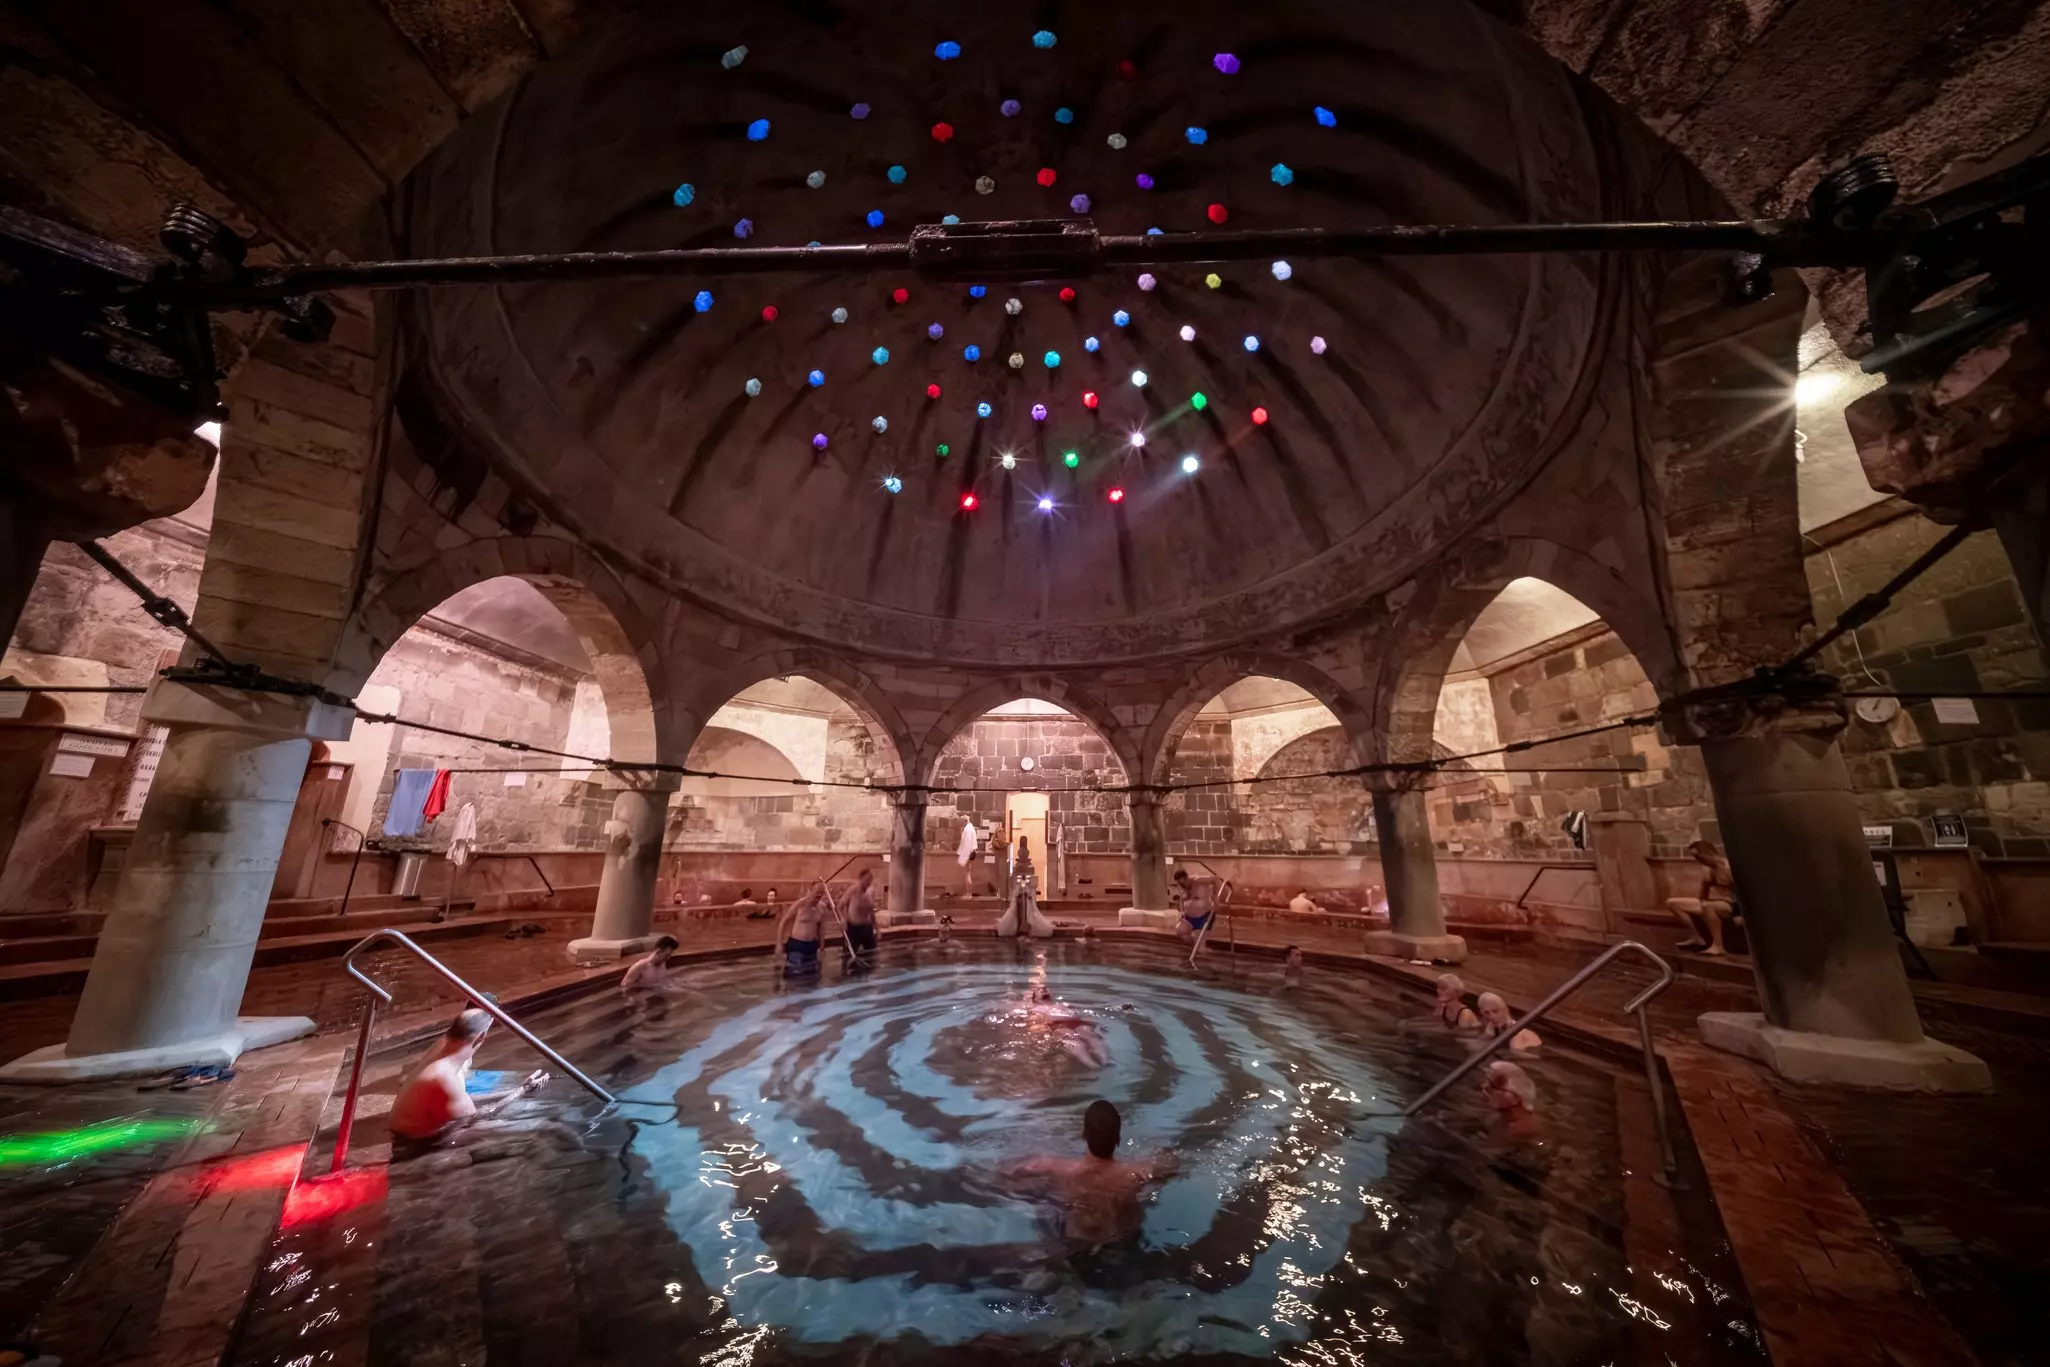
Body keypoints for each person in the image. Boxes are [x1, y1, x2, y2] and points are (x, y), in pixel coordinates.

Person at [1010, 1100, 1178, 1249]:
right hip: (1121, 1245)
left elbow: (1012, 1171)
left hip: (1074, 1246)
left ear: (1084, 1134)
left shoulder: (1056, 1167)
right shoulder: (1136, 1173)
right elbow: (1171, 1167)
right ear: (1118, 1138)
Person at [388, 1007, 547, 1143]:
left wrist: (519, 1089)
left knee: (529, 1111)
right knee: (545, 1124)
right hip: (414, 1146)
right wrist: (520, 1093)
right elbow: (477, 1117)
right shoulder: (444, 1077)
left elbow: (463, 1101)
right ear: (481, 1037)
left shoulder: (441, 1061)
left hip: (410, 1134)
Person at [1667, 839, 1739, 955]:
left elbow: (1742, 892)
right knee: (1672, 903)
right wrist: (1701, 896)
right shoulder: (1710, 869)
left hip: (1729, 905)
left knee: (1708, 907)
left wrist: (1741, 915)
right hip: (1710, 903)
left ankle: (1718, 946)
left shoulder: (1728, 868)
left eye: (1699, 857)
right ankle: (1697, 937)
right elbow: (1703, 893)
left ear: (1709, 854)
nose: (1699, 861)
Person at [1027, 984, 1109, 1067]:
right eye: (1039, 989)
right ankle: (1092, 1065)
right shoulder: (1037, 1009)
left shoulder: (1063, 1005)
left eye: (1045, 988)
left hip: (1078, 1024)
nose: (1044, 989)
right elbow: (1039, 1023)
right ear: (1035, 998)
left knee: (1092, 1037)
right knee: (1077, 1044)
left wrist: (1090, 1020)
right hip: (1060, 1027)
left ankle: (1105, 1060)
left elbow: (1080, 1013)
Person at [777, 882, 828, 976]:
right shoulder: (800, 904)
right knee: (794, 973)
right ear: (810, 891)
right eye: (817, 892)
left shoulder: (822, 908)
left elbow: (822, 929)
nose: (819, 894)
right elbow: (783, 923)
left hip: (812, 946)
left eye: (822, 892)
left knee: (812, 975)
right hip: (797, 945)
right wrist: (779, 944)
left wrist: (822, 947)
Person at [1475, 991, 1541, 1051]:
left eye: (1495, 1011)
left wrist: (1510, 1030)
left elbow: (1515, 1053)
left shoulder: (1519, 1031)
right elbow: (1479, 1043)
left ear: (1505, 1010)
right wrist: (1489, 1033)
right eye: (1487, 1013)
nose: (1492, 1016)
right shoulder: (1493, 1027)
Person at [1172, 868, 1221, 943]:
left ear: (1187, 877)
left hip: (1203, 915)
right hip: (1189, 918)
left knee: (1199, 943)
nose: (1183, 884)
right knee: (1179, 929)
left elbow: (1215, 879)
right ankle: (1192, 941)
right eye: (1180, 883)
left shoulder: (1198, 880)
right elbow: (1181, 900)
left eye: (1184, 882)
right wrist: (1182, 911)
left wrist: (1215, 895)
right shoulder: (1182, 886)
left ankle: (1199, 944)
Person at [843, 869, 878, 964]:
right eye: (867, 879)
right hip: (854, 927)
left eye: (871, 879)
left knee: (871, 955)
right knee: (849, 956)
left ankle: (869, 975)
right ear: (860, 879)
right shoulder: (852, 890)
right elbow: (841, 906)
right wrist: (844, 920)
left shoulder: (871, 891)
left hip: (867, 928)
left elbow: (872, 912)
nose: (869, 882)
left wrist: (877, 929)